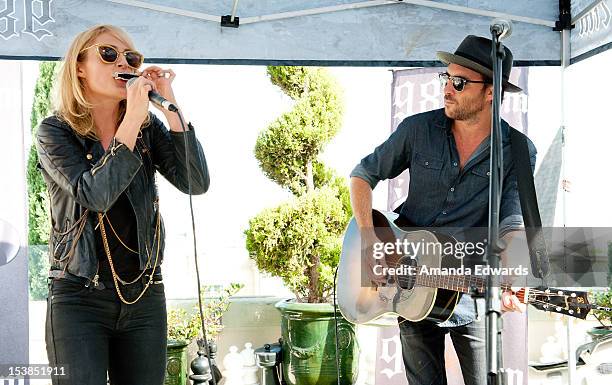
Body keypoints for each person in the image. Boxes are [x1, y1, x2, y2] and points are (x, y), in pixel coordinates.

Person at [349, 35, 536, 385]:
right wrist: (369, 237)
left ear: (492, 92)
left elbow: (512, 220)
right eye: (446, 78)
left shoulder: (519, 151)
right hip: (408, 287)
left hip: (472, 293)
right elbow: (362, 175)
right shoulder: (416, 130)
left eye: (460, 82)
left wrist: (514, 273)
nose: (447, 89)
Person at [36, 24, 210, 385]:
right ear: (79, 66)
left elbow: (196, 181)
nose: (123, 62)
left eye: (131, 57)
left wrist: (170, 103)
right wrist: (132, 118)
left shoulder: (147, 130)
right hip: (78, 296)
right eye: (108, 54)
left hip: (144, 295)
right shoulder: (55, 131)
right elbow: (95, 194)